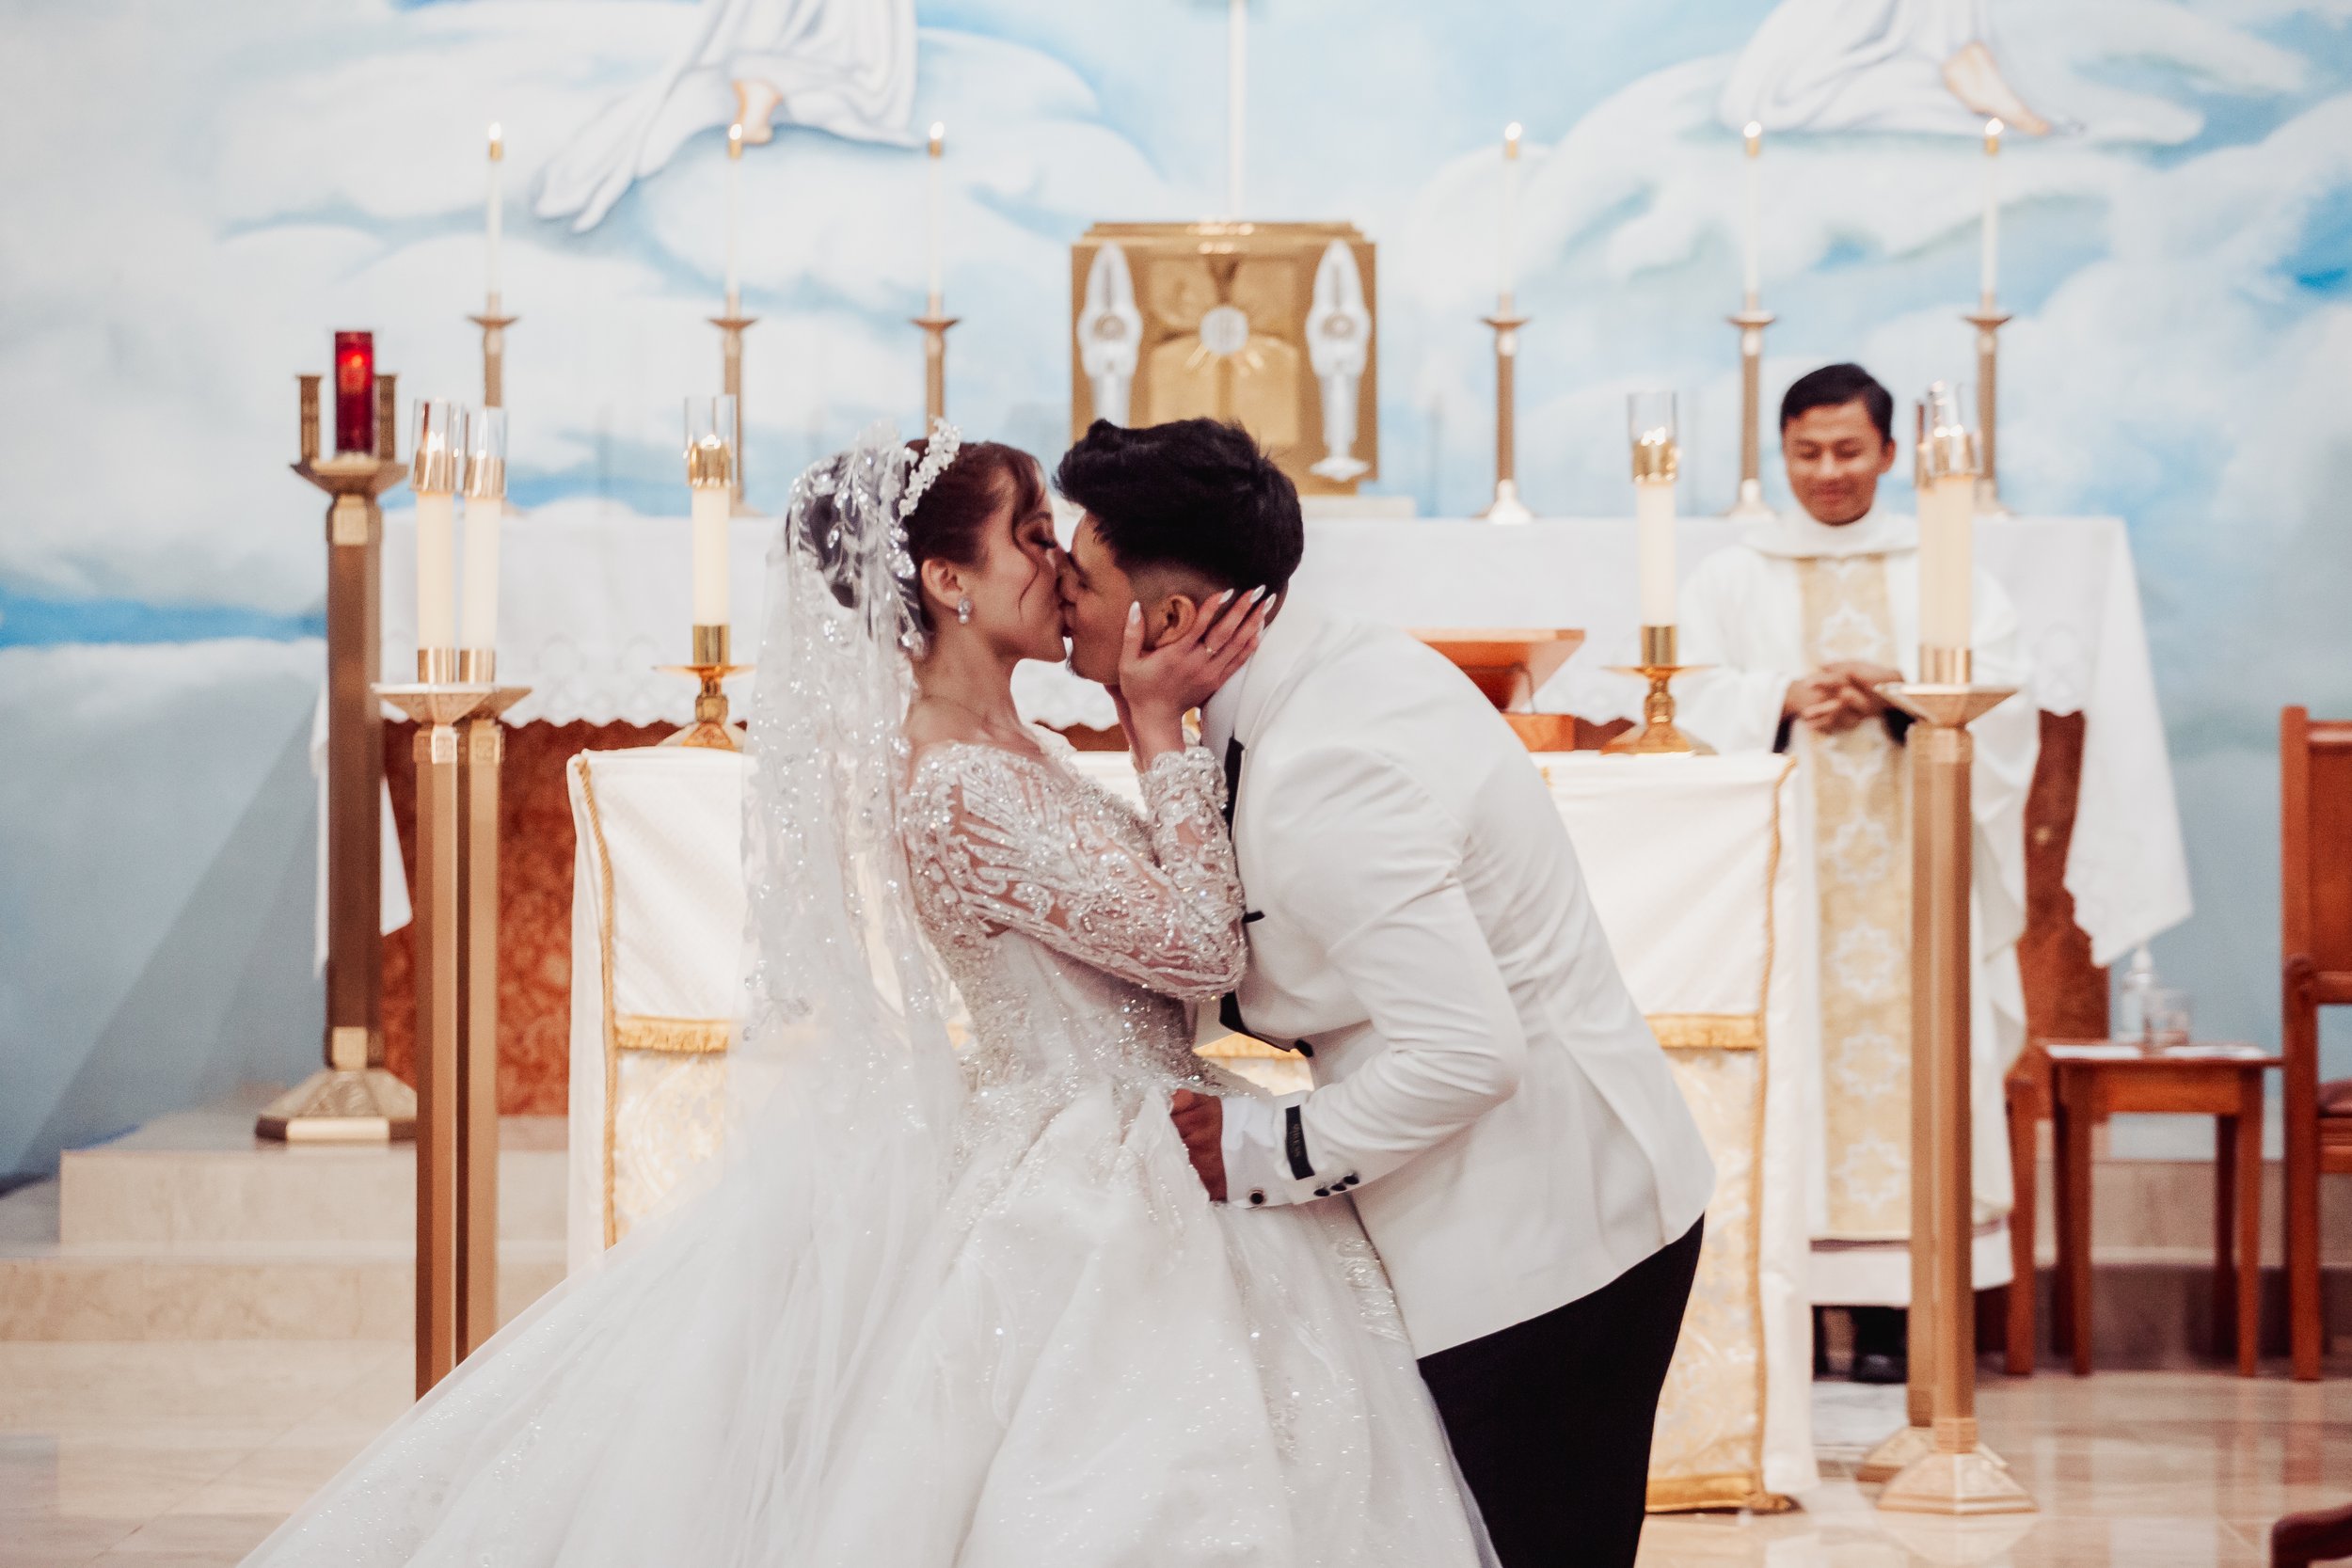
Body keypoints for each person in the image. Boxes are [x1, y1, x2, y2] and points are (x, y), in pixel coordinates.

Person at [237, 423, 1488, 1567]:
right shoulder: (955, 784)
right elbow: (1204, 947)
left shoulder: (1021, 751)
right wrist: (1157, 729)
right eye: (1032, 537)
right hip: (1098, 1159)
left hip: (1158, 1133)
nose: (1060, 568)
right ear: (948, 578)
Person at [1056, 417, 1716, 1568]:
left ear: (1166, 619)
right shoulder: (1308, 673)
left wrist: (1255, 1150)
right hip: (1526, 1200)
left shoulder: (1328, 765)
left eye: (1081, 571)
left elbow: (1467, 1051)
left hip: (1548, 1233)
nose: (1060, 591)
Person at [1676, 363, 2036, 1384]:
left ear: (1887, 451)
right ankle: (1813, 1323)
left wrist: (1895, 697)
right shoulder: (1732, 575)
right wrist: (1778, 696)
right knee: (1798, 1072)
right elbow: (1680, 706)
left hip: (1913, 873)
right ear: (1781, 453)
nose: (1826, 472)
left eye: (1847, 450)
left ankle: (1894, 1329)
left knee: (1915, 1066)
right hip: (1783, 885)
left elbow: (2006, 705)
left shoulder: (1946, 567)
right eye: (1806, 451)